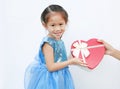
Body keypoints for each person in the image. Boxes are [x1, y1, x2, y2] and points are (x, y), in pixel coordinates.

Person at [24, 4, 87, 89]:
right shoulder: (48, 44)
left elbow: (60, 60)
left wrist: (72, 56)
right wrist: (71, 62)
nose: (57, 29)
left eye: (61, 24)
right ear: (45, 25)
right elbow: (51, 67)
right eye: (53, 25)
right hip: (50, 80)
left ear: (66, 22)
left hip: (60, 77)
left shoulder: (59, 40)